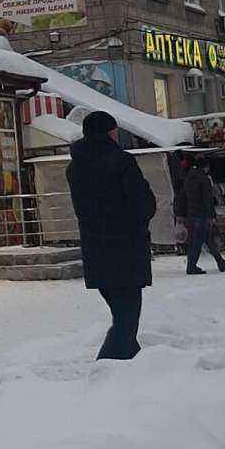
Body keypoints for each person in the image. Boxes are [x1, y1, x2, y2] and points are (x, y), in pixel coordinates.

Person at [66, 110, 158, 361]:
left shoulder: (75, 167)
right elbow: (143, 204)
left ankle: (132, 364)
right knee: (127, 320)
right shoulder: (121, 161)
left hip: (96, 251)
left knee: (122, 316)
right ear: (108, 132)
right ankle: (105, 369)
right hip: (126, 248)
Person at [180, 155, 225, 275]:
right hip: (201, 214)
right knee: (198, 241)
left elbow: (183, 197)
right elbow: (207, 199)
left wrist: (182, 214)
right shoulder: (203, 179)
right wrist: (212, 215)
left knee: (206, 239)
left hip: (192, 214)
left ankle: (220, 262)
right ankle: (191, 267)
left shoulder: (188, 178)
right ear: (205, 167)